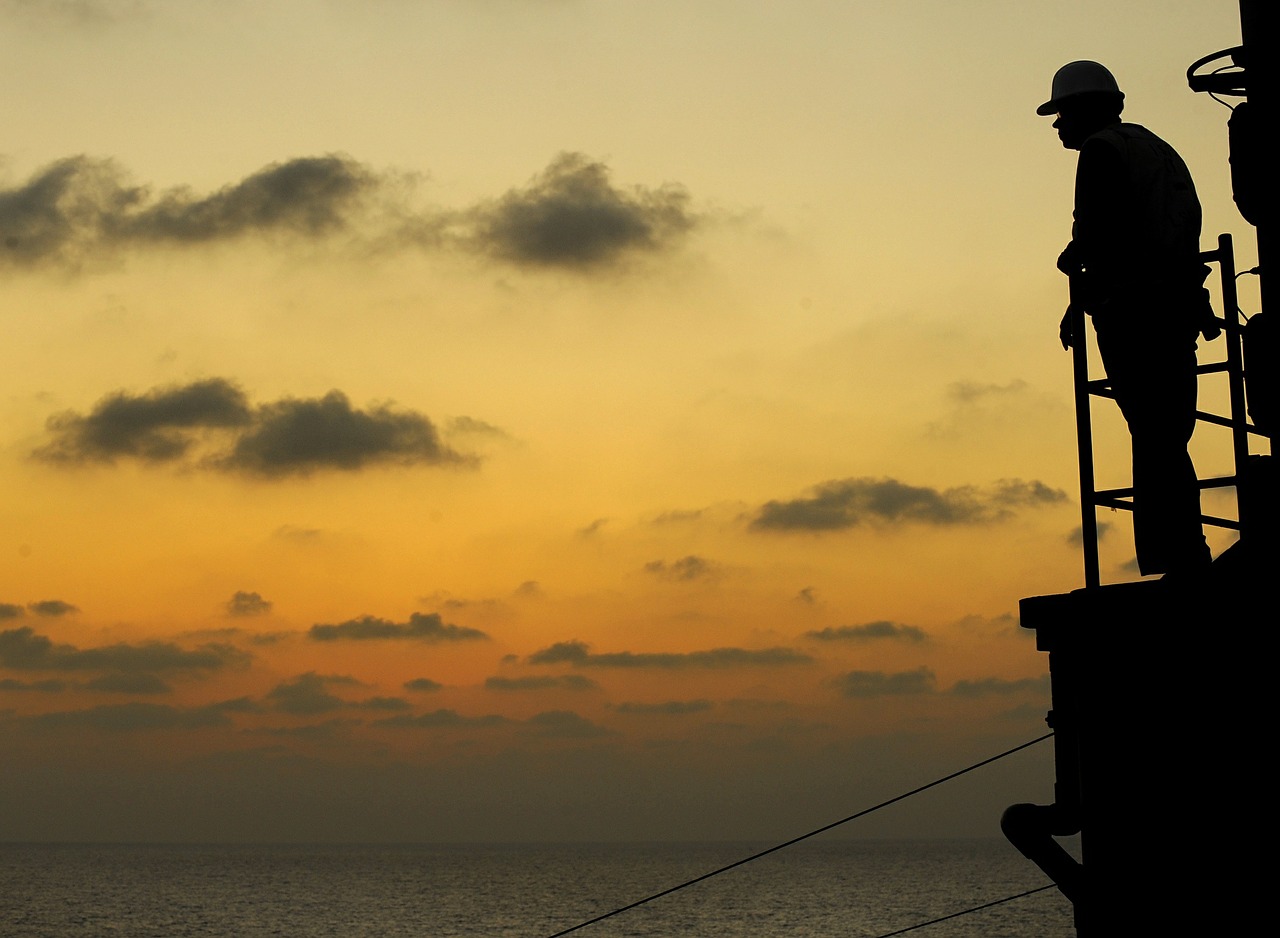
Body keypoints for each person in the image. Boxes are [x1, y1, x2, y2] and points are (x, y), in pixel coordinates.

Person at [1039, 60, 1216, 575]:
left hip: (1138, 310)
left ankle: (1180, 554)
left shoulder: (1102, 151)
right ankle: (1184, 550)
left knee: (1154, 432)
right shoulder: (1156, 148)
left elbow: (1105, 234)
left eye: (1061, 113)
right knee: (1167, 431)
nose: (1057, 125)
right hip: (1175, 306)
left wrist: (1075, 274)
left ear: (1084, 111)